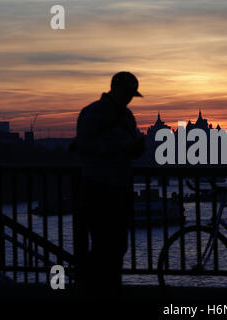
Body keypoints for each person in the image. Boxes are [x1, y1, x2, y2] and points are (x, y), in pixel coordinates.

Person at [75, 71, 145, 293]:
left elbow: (128, 149)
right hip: (99, 187)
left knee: (118, 245)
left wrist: (136, 148)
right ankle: (99, 289)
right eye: (128, 93)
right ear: (116, 90)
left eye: (132, 94)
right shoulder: (93, 113)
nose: (130, 98)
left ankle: (109, 287)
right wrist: (120, 148)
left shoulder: (126, 116)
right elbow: (84, 147)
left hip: (120, 187)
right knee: (103, 245)